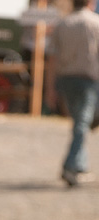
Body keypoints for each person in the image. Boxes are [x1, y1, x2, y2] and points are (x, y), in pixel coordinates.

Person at [45, 0, 99, 187]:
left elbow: (52, 58)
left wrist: (50, 88)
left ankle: (79, 165)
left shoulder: (62, 24)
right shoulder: (95, 23)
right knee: (83, 123)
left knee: (79, 122)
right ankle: (70, 166)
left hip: (66, 80)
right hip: (88, 81)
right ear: (90, 3)